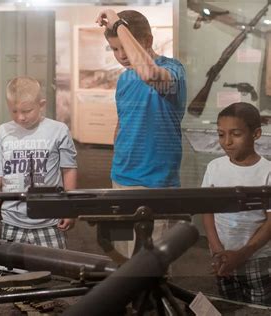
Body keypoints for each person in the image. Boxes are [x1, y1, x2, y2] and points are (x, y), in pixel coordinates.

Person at [95, 9, 187, 258]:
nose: (121, 56)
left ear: (147, 41)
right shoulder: (124, 80)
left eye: (125, 47)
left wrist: (118, 22)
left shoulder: (173, 70)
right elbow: (122, 122)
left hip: (156, 184)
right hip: (121, 180)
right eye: (115, 49)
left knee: (152, 265)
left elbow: (149, 74)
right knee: (123, 258)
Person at [0, 76, 78, 249]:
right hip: (12, 220)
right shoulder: (3, 132)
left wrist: (70, 208)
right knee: (12, 272)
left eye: (27, 111)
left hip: (49, 220)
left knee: (54, 270)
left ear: (41, 104)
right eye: (14, 111)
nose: (20, 117)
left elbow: (69, 170)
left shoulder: (58, 131)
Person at [202, 102, 271, 306]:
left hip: (258, 259)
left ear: (256, 134)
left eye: (236, 134)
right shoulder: (214, 167)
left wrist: (242, 254)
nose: (227, 142)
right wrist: (217, 250)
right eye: (221, 134)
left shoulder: (267, 171)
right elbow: (208, 211)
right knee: (229, 305)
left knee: (259, 308)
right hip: (223, 257)